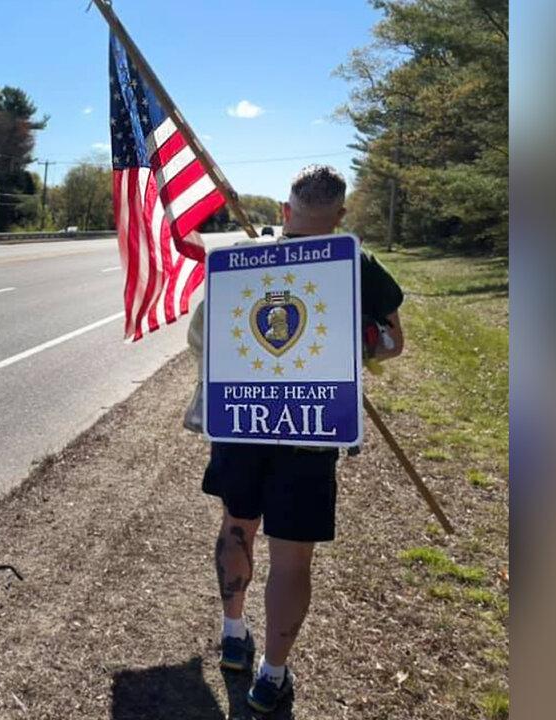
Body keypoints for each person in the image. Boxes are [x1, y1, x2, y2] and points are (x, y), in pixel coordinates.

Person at [189, 165, 405, 714]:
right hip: (310, 433)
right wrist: (355, 346)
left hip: (240, 425)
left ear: (286, 213)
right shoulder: (358, 264)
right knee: (292, 560)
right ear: (341, 217)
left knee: (237, 526)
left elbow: (200, 337)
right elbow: (392, 343)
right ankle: (271, 674)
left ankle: (232, 634)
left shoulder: (242, 258)